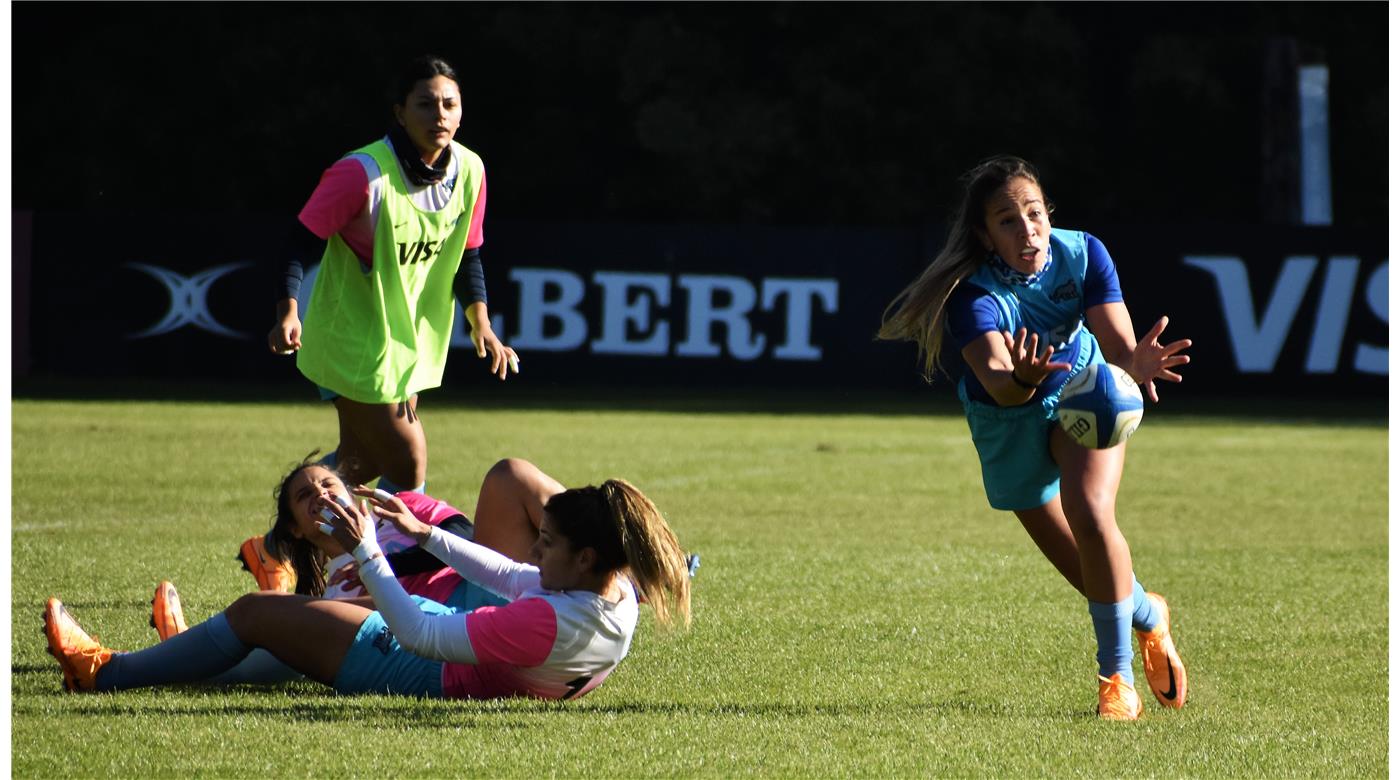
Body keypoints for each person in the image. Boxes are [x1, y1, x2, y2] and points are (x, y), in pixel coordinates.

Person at [877, 155, 1192, 721]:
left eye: (1033, 213)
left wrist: (1134, 364)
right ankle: (1148, 613)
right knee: (1080, 564)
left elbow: (1118, 346)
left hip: (1085, 391)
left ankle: (1116, 679)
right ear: (985, 235)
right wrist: (1022, 377)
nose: (1026, 230)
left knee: (1092, 514)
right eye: (1007, 220)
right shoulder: (973, 297)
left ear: (1049, 213)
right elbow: (1001, 386)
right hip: (1008, 417)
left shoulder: (1084, 253)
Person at [45, 476, 692, 701]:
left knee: (255, 615)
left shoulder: (548, 625)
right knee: (273, 633)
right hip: (441, 648)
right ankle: (162, 659)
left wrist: (367, 548)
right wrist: (424, 533)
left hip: (420, 668)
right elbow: (511, 575)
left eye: (548, 542)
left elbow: (419, 635)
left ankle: (101, 673)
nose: (535, 549)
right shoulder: (611, 597)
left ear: (583, 557)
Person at [267, 54, 517, 498]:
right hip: (352, 342)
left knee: (358, 464)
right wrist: (288, 309)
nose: (439, 114)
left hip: (408, 345)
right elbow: (300, 242)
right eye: (424, 104)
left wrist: (482, 322)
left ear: (461, 112)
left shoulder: (470, 172)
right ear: (400, 113)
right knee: (408, 458)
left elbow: (468, 253)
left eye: (449, 104)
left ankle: (278, 547)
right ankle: (393, 565)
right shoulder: (361, 173)